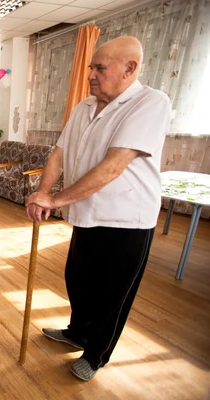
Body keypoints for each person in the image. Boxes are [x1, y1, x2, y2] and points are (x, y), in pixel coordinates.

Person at [25, 36, 172, 381]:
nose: (90, 74)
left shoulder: (151, 103)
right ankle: (78, 331)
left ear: (129, 69)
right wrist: (43, 191)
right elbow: (59, 154)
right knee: (78, 281)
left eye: (100, 68)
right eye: (91, 66)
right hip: (86, 214)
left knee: (112, 295)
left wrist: (55, 200)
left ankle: (96, 354)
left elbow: (114, 166)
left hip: (127, 221)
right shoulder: (84, 107)